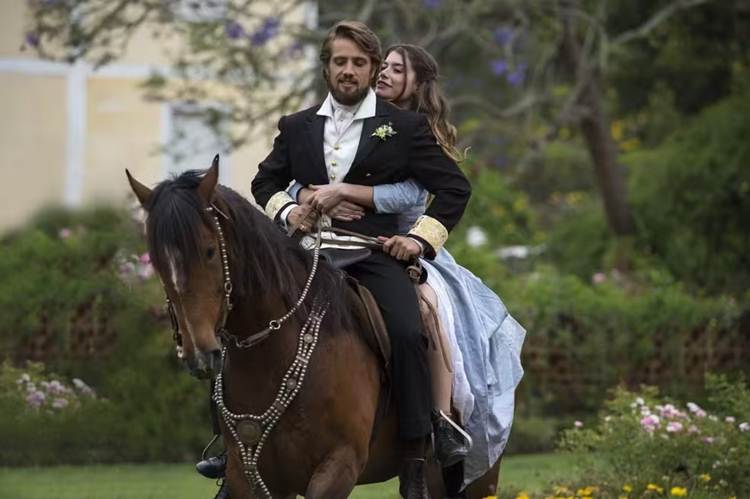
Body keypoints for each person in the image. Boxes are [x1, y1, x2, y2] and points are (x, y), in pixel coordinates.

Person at [250, 21, 471, 498]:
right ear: (326, 67)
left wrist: (419, 241)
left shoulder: (405, 127)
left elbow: (455, 188)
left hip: (370, 253)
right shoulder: (296, 125)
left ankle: (415, 454)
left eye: (358, 63)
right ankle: (230, 446)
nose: (348, 71)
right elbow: (263, 182)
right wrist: (290, 209)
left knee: (408, 331)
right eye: (339, 62)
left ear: (372, 69)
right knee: (242, 319)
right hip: (303, 254)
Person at [291, 44, 526, 488]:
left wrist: (366, 206)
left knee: (426, 312)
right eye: (383, 66)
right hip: (330, 243)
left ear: (417, 83)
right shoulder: (344, 120)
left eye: (397, 70)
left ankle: (438, 421)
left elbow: (414, 195)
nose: (384, 74)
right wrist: (307, 196)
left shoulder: (417, 132)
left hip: (402, 244)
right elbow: (302, 172)